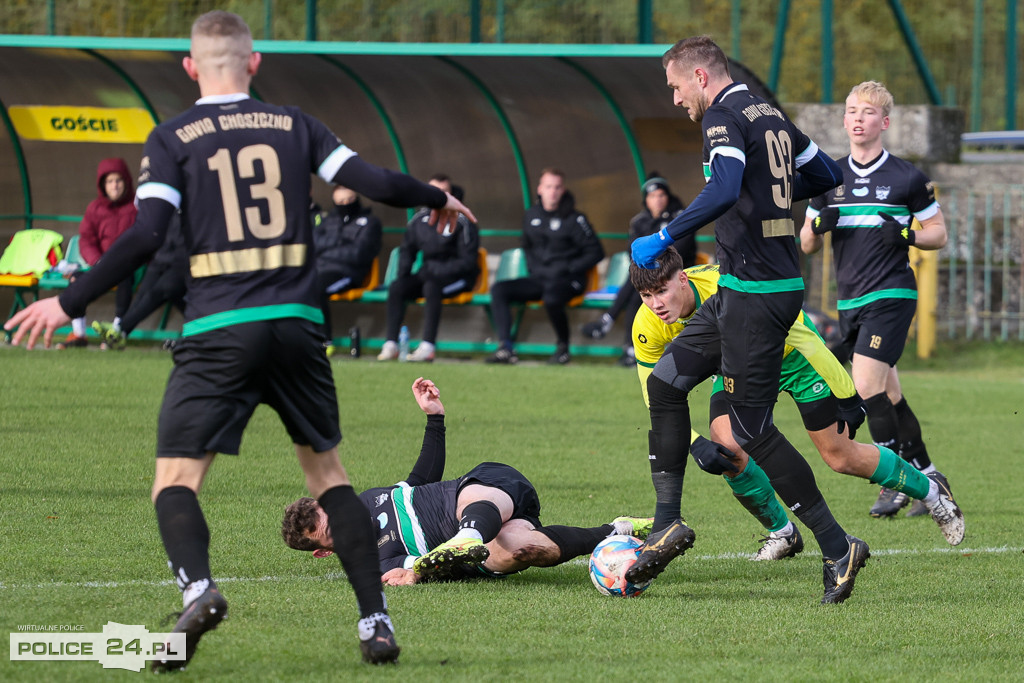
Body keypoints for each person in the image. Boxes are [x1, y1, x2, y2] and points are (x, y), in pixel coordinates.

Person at [5, 10, 475, 669]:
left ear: (191, 68)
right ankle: (374, 623)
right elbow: (376, 182)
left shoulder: (173, 137)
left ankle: (199, 590)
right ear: (254, 63)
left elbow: (145, 234)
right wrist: (437, 198)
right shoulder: (295, 124)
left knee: (176, 478)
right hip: (296, 325)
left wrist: (70, 299)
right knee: (329, 476)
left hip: (218, 327)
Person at [627, 36, 867, 604]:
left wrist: (665, 234)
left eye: (676, 86)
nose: (676, 97)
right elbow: (826, 172)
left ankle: (837, 545)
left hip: (759, 293)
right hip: (740, 288)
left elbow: (726, 184)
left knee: (749, 431)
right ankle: (667, 523)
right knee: (666, 383)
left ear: (701, 78)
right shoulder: (769, 114)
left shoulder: (724, 117)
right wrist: (772, 197)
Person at [630, 248, 964, 556]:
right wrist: (693, 443)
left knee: (840, 457)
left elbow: (804, 333)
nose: (656, 303)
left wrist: (846, 392)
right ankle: (783, 534)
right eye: (646, 295)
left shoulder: (727, 288)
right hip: (739, 372)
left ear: (683, 279)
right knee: (729, 448)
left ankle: (931, 491)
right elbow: (655, 396)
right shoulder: (647, 325)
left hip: (794, 361)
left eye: (662, 291)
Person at [282, 378, 653, 583]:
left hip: (486, 486)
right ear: (323, 551)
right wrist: (417, 575)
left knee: (468, 501)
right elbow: (427, 570)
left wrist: (435, 418)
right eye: (332, 531)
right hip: (494, 537)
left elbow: (422, 478)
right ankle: (618, 530)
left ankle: (468, 535)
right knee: (519, 548)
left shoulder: (372, 499)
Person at [799, 81, 956, 520]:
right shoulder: (827, 175)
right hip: (850, 302)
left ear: (884, 122)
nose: (857, 118)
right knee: (890, 393)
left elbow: (938, 233)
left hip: (891, 294)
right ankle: (929, 472)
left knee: (866, 386)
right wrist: (818, 225)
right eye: (851, 110)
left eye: (867, 112)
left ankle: (896, 484)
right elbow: (806, 243)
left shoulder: (907, 177)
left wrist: (907, 234)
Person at [486, 168, 604, 365]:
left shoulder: (575, 219)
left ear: (563, 190)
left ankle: (563, 348)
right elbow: (527, 246)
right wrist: (534, 269)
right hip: (540, 278)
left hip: (569, 280)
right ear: (540, 189)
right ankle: (505, 348)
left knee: (551, 297)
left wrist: (569, 267)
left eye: (557, 187)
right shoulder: (531, 215)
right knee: (499, 289)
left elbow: (596, 252)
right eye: (549, 187)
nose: (553, 191)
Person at [582, 173, 694, 367]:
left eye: (661, 195)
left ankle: (611, 323)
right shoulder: (639, 221)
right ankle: (630, 347)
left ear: (668, 196)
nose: (657, 200)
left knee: (638, 290)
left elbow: (679, 250)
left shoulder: (680, 217)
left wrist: (649, 255)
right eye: (652, 196)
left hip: (677, 273)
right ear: (646, 200)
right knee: (639, 290)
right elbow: (632, 253)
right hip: (650, 274)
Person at [377, 175, 479, 363]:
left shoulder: (462, 220)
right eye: (433, 191)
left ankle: (428, 346)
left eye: (443, 192)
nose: (437, 196)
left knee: (432, 287)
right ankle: (391, 344)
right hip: (429, 275)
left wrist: (438, 272)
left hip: (459, 278)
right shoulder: (419, 219)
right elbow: (407, 251)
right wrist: (404, 277)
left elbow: (468, 261)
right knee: (398, 287)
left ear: (450, 194)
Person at [58, 157, 138, 349]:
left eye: (118, 180)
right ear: (103, 185)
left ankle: (116, 333)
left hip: (128, 267)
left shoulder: (137, 206)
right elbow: (87, 239)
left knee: (125, 278)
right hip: (100, 265)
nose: (115, 185)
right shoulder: (94, 208)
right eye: (110, 181)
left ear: (126, 182)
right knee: (76, 278)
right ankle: (79, 335)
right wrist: (97, 261)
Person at [92, 211, 188, 350]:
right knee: (142, 297)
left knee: (159, 292)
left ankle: (118, 330)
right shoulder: (170, 201)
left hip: (183, 263)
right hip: (160, 258)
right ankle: (119, 336)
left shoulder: (198, 202)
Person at [313, 184, 381, 354]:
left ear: (356, 199)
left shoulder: (371, 223)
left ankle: (325, 341)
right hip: (322, 270)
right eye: (341, 201)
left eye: (349, 200)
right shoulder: (328, 220)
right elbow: (314, 244)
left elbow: (359, 254)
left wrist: (328, 249)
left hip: (349, 273)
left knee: (315, 289)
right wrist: (341, 243)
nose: (345, 204)